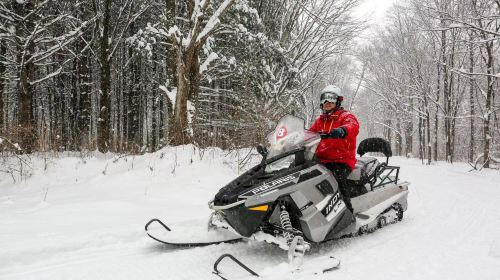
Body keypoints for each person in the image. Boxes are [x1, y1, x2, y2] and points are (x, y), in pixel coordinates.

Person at [309, 85, 359, 213]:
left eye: (331, 99)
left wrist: (343, 130)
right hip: (321, 159)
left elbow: (353, 126)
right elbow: (309, 134)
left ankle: (347, 213)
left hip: (341, 160)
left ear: (338, 101)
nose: (327, 103)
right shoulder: (320, 121)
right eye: (324, 99)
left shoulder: (345, 116)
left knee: (337, 179)